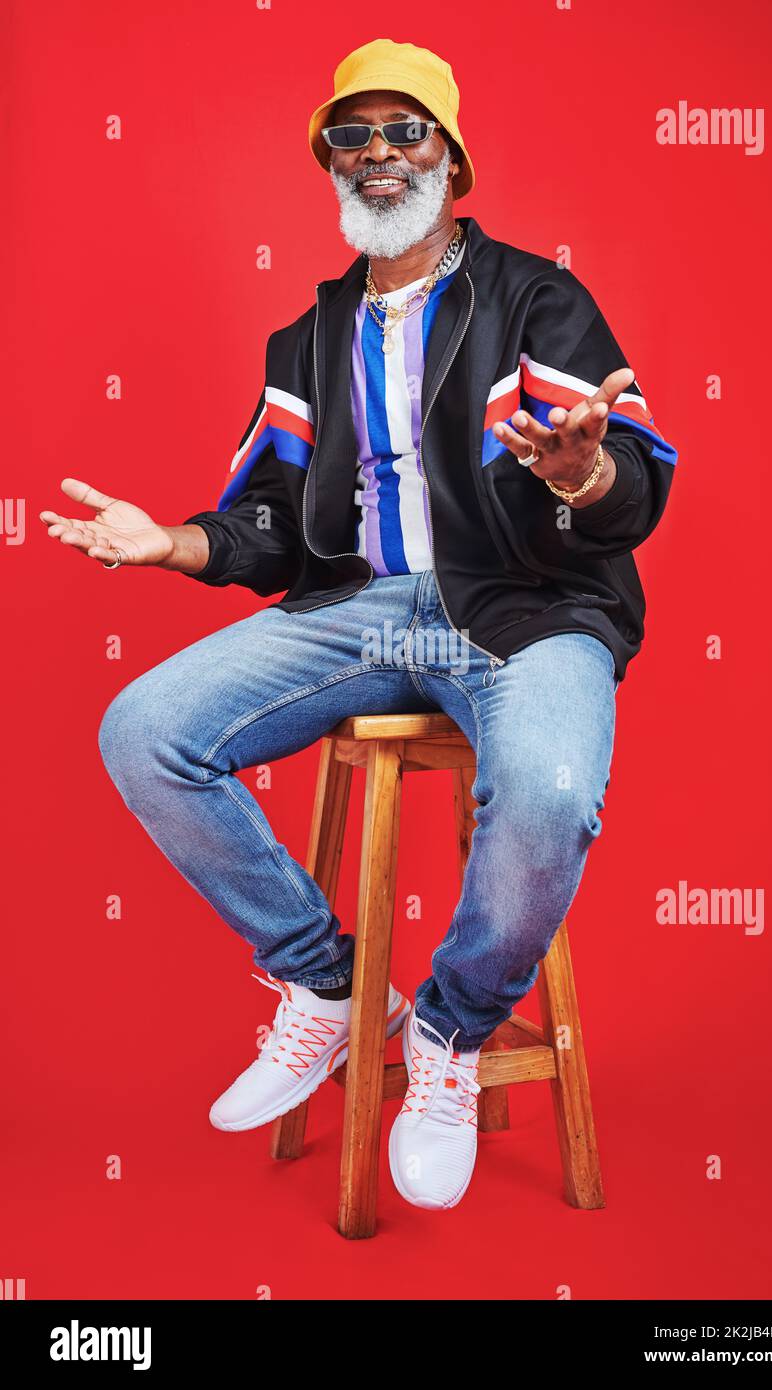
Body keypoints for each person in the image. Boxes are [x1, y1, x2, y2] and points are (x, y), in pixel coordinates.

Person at [39, 38, 678, 1214]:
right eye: (354, 136)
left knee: (544, 786)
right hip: (369, 618)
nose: (379, 157)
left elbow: (634, 474)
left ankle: (447, 1028)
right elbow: (273, 529)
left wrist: (586, 477)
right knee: (144, 728)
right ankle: (330, 986)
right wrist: (174, 540)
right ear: (328, 162)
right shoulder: (308, 342)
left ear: (452, 159)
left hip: (527, 605)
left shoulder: (537, 299)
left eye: (405, 133)